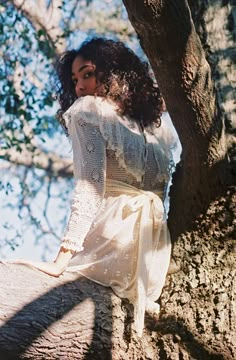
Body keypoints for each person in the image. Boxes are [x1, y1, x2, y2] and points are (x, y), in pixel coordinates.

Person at [11, 38, 179, 336]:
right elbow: (158, 193)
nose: (78, 87)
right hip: (153, 254)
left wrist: (60, 261)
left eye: (87, 74)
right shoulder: (157, 126)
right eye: (75, 79)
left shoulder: (89, 110)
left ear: (114, 72)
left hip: (114, 241)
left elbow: (90, 188)